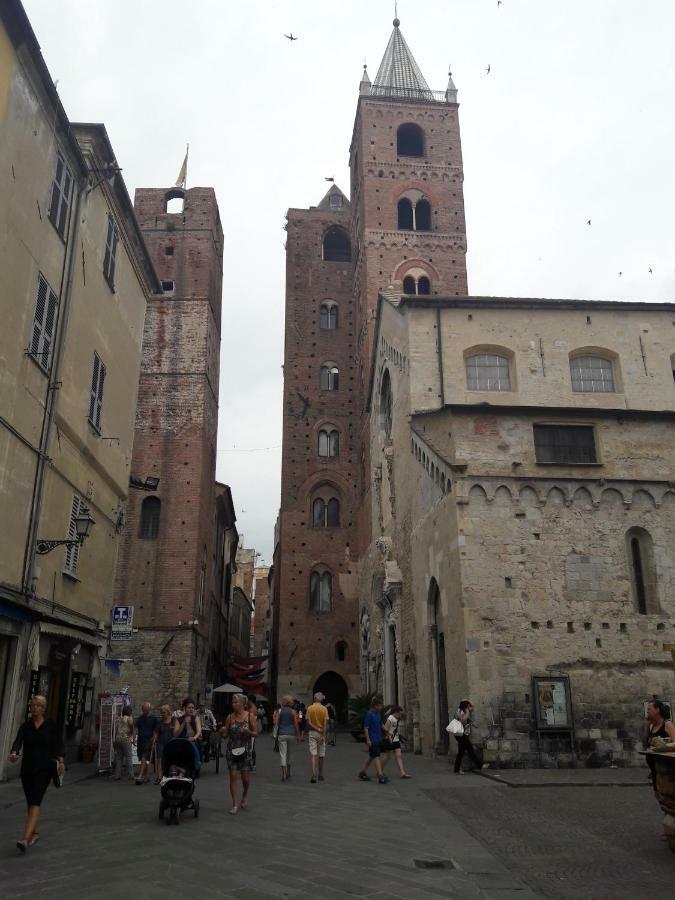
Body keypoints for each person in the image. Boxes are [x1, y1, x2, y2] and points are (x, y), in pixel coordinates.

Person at [9, 695, 64, 852]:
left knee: (35, 800)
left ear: (43, 708)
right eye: (32, 705)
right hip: (27, 769)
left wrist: (61, 760)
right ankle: (34, 832)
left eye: (37, 705)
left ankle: (25, 839)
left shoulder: (51, 725)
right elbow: (18, 741)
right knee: (30, 801)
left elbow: (58, 744)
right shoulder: (25, 726)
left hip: (44, 769)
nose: (34, 708)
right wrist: (14, 752)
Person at [219, 693, 257, 814]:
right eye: (233, 702)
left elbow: (256, 733)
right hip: (232, 749)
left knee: (245, 779)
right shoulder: (230, 717)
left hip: (245, 749)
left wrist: (247, 730)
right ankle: (234, 804)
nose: (233, 704)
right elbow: (225, 735)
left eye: (236, 702)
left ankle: (245, 794)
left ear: (242, 704)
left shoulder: (250, 716)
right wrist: (222, 732)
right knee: (233, 776)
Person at [358, 696, 389, 784]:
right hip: (372, 739)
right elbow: (366, 728)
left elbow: (380, 724)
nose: (381, 707)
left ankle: (362, 772)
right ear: (375, 706)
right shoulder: (369, 714)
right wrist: (368, 739)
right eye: (380, 706)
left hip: (378, 738)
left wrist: (387, 731)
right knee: (376, 756)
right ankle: (380, 775)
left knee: (372, 756)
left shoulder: (378, 714)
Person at [274, 695, 301, 781]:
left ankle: (284, 774)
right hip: (291, 734)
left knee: (283, 754)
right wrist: (298, 735)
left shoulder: (280, 711)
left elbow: (276, 723)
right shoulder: (293, 712)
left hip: (282, 734)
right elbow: (296, 724)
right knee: (290, 754)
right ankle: (288, 772)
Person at [452, 699, 482, 774]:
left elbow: (473, 706)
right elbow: (462, 720)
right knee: (469, 750)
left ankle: (457, 769)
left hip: (462, 734)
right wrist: (467, 712)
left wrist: (467, 701)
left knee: (462, 752)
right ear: (466, 706)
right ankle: (479, 765)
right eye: (468, 706)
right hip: (460, 734)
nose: (470, 707)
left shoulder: (464, 711)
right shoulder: (460, 711)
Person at [173, 697, 202, 773]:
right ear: (185, 708)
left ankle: (196, 763)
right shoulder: (178, 719)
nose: (191, 709)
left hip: (193, 740)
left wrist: (194, 737)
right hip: (181, 740)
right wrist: (183, 723)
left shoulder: (196, 718)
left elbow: (199, 731)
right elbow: (175, 734)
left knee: (191, 743)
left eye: (192, 708)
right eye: (189, 708)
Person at [306, 691, 329, 783]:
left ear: (315, 698)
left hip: (312, 733)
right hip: (321, 733)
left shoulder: (310, 708)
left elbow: (308, 722)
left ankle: (313, 775)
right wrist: (323, 734)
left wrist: (316, 728)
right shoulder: (324, 709)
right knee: (321, 755)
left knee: (313, 754)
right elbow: (325, 724)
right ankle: (320, 774)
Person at [384, 705, 411, 779]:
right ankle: (380, 770)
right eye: (399, 713)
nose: (400, 715)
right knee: (387, 757)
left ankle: (402, 773)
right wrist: (389, 736)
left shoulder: (396, 719)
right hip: (390, 739)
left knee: (399, 756)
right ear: (395, 712)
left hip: (396, 739)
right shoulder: (390, 718)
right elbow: (386, 728)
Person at [134, 702, 159, 785]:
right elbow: (136, 728)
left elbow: (156, 730)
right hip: (141, 740)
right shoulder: (140, 718)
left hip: (149, 740)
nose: (145, 712)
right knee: (142, 758)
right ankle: (147, 776)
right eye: (143, 710)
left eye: (146, 710)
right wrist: (134, 738)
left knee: (144, 757)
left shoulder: (154, 718)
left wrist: (154, 738)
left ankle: (140, 776)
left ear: (149, 709)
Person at [111, 704, 134, 781]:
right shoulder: (129, 718)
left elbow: (114, 729)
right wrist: (131, 732)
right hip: (125, 738)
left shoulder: (119, 719)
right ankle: (130, 774)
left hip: (117, 738)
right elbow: (131, 725)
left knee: (119, 758)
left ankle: (117, 775)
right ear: (129, 712)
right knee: (128, 757)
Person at [154, 705, 174, 783]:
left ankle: (169, 776)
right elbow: (156, 732)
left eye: (163, 713)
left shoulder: (173, 720)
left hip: (170, 742)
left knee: (170, 759)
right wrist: (154, 739)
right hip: (161, 742)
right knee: (159, 759)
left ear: (168, 712)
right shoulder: (160, 722)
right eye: (161, 713)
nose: (162, 714)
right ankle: (159, 777)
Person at [247, 694, 258, 771]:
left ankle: (252, 764)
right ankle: (251, 763)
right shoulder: (252, 707)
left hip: (251, 730)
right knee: (250, 747)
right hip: (250, 730)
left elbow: (251, 720)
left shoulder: (252, 708)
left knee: (251, 747)